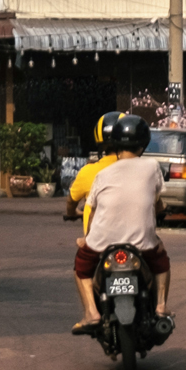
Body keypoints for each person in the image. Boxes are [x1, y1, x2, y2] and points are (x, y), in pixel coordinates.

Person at [70, 111, 169, 336]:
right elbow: (157, 202)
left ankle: (91, 313)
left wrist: (87, 238)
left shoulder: (102, 174)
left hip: (102, 242)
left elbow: (93, 210)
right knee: (161, 261)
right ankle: (161, 306)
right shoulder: (152, 167)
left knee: (81, 266)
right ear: (143, 144)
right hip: (142, 242)